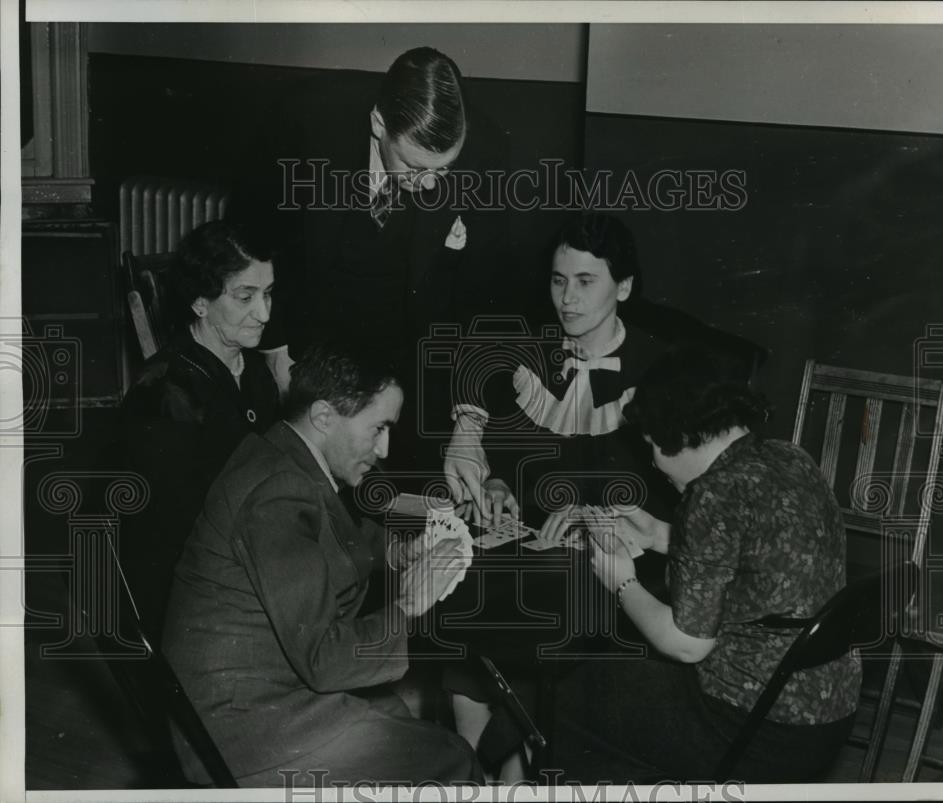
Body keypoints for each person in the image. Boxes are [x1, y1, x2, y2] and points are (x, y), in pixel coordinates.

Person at [161, 344, 482, 787]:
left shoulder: (282, 453)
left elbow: (328, 538)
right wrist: (409, 603)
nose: (384, 448)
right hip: (243, 733)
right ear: (325, 416)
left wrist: (396, 553)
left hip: (240, 699)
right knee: (452, 758)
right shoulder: (280, 493)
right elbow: (326, 661)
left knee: (396, 713)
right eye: (378, 429)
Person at [554, 343, 861, 783]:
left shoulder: (712, 494)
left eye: (651, 446)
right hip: (828, 716)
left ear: (676, 434)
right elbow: (755, 553)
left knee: (573, 692)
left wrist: (621, 582)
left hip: (756, 730)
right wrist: (660, 534)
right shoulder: (789, 457)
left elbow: (686, 644)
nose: (654, 463)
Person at [231, 47, 510, 418]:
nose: (428, 185)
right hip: (308, 336)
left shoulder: (483, 149)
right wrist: (274, 349)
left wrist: (470, 412)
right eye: (413, 168)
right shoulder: (306, 119)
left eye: (443, 171)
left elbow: (481, 287)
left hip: (410, 351)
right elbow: (252, 234)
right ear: (379, 125)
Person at [444, 213, 669, 533]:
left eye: (585, 281)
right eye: (558, 280)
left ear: (624, 287)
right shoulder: (530, 355)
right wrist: (499, 485)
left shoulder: (660, 368)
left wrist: (599, 515)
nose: (567, 298)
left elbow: (670, 490)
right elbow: (512, 448)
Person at [119, 220, 280, 641]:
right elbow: (173, 530)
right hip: (189, 592)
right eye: (245, 297)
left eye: (268, 294)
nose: (264, 313)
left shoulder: (255, 371)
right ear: (199, 303)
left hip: (244, 556)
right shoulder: (163, 391)